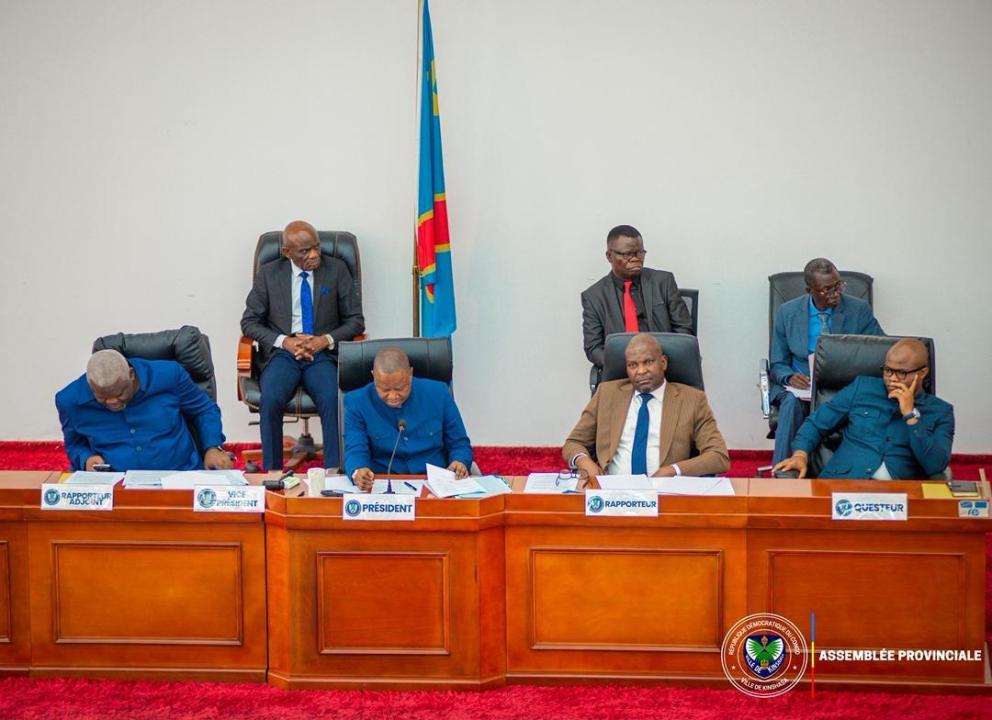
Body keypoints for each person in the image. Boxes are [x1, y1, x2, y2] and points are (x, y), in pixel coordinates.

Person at [241, 220, 365, 471]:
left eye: (317, 247)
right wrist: (284, 341)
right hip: (283, 352)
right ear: (286, 252)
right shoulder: (269, 274)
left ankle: (333, 471)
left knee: (332, 398)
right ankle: (273, 471)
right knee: (271, 399)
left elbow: (356, 321)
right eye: (304, 251)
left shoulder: (337, 269)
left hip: (323, 353)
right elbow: (249, 322)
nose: (314, 255)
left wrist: (324, 340)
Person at [772, 339, 953, 479]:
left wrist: (911, 415)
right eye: (888, 370)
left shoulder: (940, 411)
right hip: (844, 486)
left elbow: (935, 465)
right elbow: (817, 423)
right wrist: (800, 454)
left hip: (899, 498)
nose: (891, 379)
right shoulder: (862, 388)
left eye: (901, 373)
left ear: (922, 373)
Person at [563, 333, 729, 482]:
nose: (641, 371)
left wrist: (673, 471)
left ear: (663, 363)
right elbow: (574, 443)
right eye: (633, 365)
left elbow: (718, 456)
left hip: (665, 493)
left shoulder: (691, 399)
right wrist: (586, 463)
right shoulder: (607, 393)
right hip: (612, 493)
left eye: (648, 362)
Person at [769, 258, 885, 464]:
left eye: (838, 285)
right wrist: (789, 377)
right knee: (790, 404)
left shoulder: (859, 309)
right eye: (827, 289)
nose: (835, 293)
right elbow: (777, 362)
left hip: (846, 385)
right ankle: (784, 472)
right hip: (803, 387)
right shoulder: (787, 313)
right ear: (809, 290)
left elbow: (880, 351)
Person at [55, 349, 233, 472]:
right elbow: (74, 443)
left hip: (180, 476)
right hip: (116, 487)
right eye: (102, 397)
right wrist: (86, 459)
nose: (112, 402)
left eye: (119, 393)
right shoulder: (69, 400)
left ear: (131, 375)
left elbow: (204, 409)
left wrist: (212, 447)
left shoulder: (169, 375)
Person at [344, 347, 473, 491]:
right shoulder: (357, 402)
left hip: (434, 485)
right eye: (385, 390)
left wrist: (459, 461)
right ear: (374, 376)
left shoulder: (438, 393)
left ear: (410, 374)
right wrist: (359, 471)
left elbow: (459, 443)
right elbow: (355, 448)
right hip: (383, 486)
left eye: (400, 388)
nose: (393, 396)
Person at [581, 224, 693, 373]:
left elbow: (684, 331)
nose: (636, 259)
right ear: (609, 256)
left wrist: (659, 363)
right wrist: (630, 367)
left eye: (640, 253)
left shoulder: (663, 282)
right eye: (627, 254)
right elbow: (593, 348)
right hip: (622, 373)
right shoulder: (594, 296)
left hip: (664, 370)